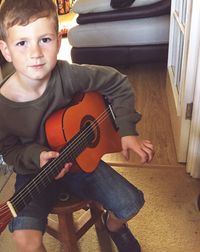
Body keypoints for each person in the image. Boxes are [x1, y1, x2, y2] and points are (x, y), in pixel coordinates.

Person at [0, 0, 154, 251]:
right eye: (22, 43)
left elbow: (118, 83)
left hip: (81, 161)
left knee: (131, 203)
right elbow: (10, 152)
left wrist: (127, 131)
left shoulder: (67, 74)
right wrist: (36, 156)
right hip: (35, 173)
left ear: (59, 41)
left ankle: (113, 226)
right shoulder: (3, 108)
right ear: (6, 51)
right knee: (25, 240)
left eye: (45, 40)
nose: (36, 53)